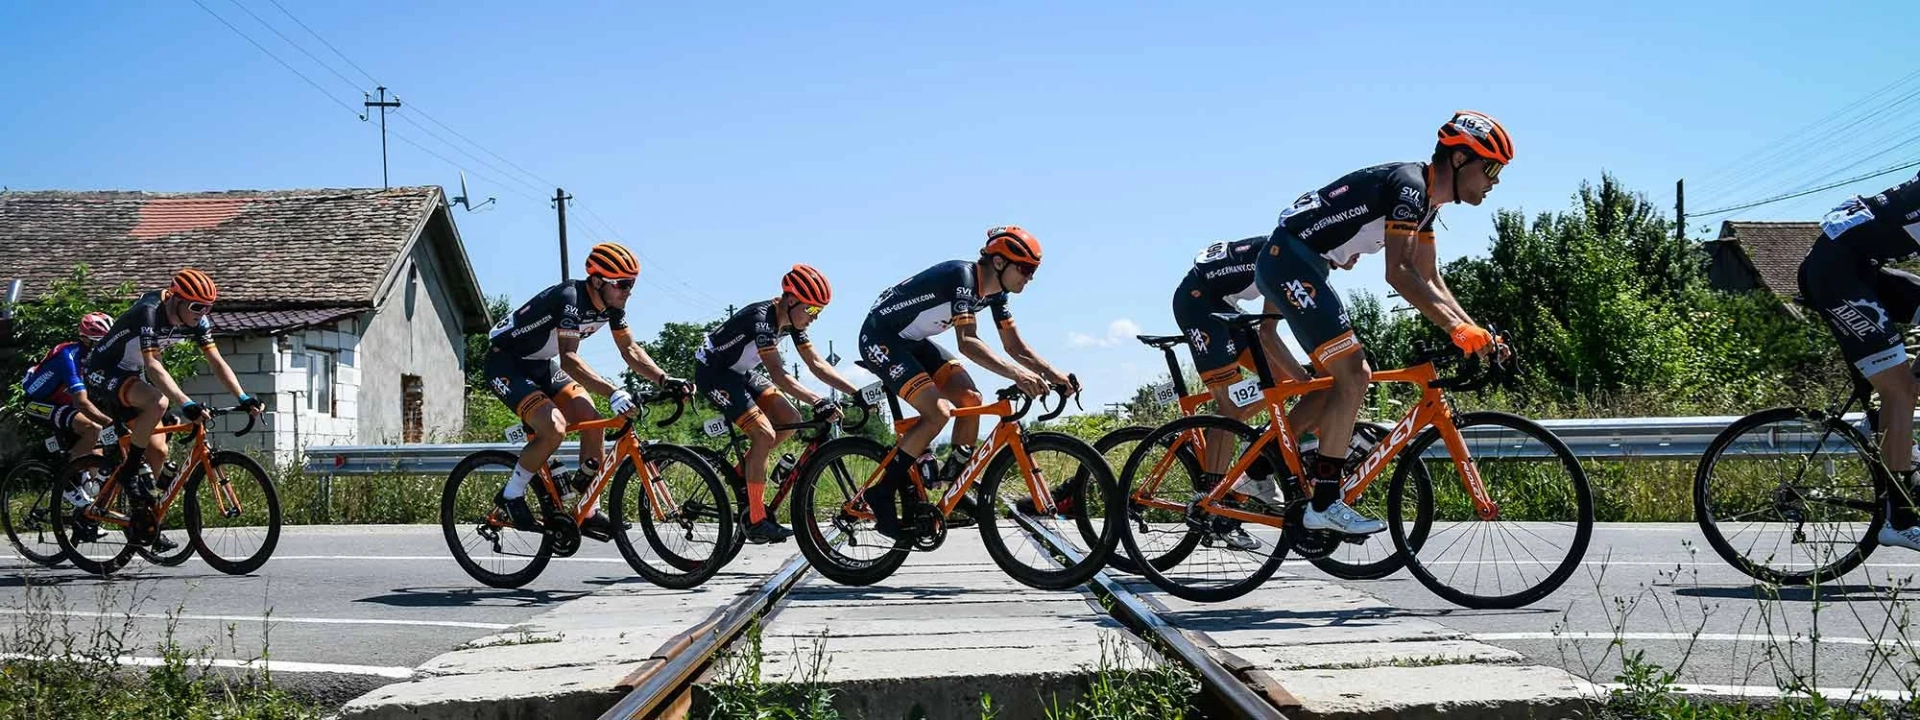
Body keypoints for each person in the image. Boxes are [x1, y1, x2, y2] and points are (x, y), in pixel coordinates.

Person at [1254, 111, 1511, 535]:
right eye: (1492, 169)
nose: (1495, 182)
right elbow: (1400, 272)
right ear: (1462, 158)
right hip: (1290, 262)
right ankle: (1324, 501)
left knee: (1331, 385)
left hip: (1304, 264)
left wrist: (1477, 331)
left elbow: (1430, 278)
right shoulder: (1409, 188)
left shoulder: (1427, 203)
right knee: (1355, 373)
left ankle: (1258, 466)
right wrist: (1455, 330)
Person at [857, 226, 1076, 540]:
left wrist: (1054, 375)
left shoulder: (996, 293)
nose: (1030, 277)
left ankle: (950, 485)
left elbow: (1015, 346)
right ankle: (882, 492)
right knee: (939, 412)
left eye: (1034, 271)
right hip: (881, 337)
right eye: (1025, 269)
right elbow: (968, 342)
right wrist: (1018, 374)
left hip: (914, 341)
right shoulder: (962, 279)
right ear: (999, 263)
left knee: (971, 399)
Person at [483, 242, 690, 540]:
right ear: (597, 281)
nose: (628, 291)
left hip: (540, 364)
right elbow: (569, 359)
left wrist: (664, 379)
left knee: (592, 421)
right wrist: (613, 392)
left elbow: (630, 349)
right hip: (506, 364)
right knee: (553, 428)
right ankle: (511, 495)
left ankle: (586, 508)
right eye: (622, 284)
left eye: (631, 284)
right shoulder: (570, 298)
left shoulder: (613, 307)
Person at [84, 269, 265, 550]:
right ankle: (130, 469)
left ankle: (143, 518)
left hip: (132, 374)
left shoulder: (197, 321)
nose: (201, 313)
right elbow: (154, 366)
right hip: (103, 370)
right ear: (176, 299)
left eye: (207, 307)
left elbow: (216, 362)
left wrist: (243, 397)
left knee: (158, 451)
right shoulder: (148, 312)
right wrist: (187, 403)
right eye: (196, 306)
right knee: (158, 401)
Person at [696, 265, 864, 544]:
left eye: (818, 312)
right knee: (763, 433)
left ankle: (743, 473)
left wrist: (854, 393)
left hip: (740, 371)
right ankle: (756, 518)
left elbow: (817, 365)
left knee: (790, 417)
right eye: (811, 310)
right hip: (714, 372)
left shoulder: (793, 322)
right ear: (790, 299)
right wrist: (818, 399)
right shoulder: (762, 319)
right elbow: (778, 374)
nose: (814, 318)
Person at [1797, 169, 1920, 550]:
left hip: (1859, 266)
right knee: (1900, 393)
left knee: (1903, 393)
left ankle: (1885, 426)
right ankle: (1899, 519)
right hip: (1836, 275)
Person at [20, 312, 115, 460]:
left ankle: (93, 481)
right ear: (84, 339)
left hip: (65, 403)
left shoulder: (94, 356)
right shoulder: (68, 356)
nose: (104, 348)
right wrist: (111, 423)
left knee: (99, 444)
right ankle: (68, 474)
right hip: (37, 404)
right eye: (98, 342)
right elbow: (81, 402)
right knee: (93, 428)